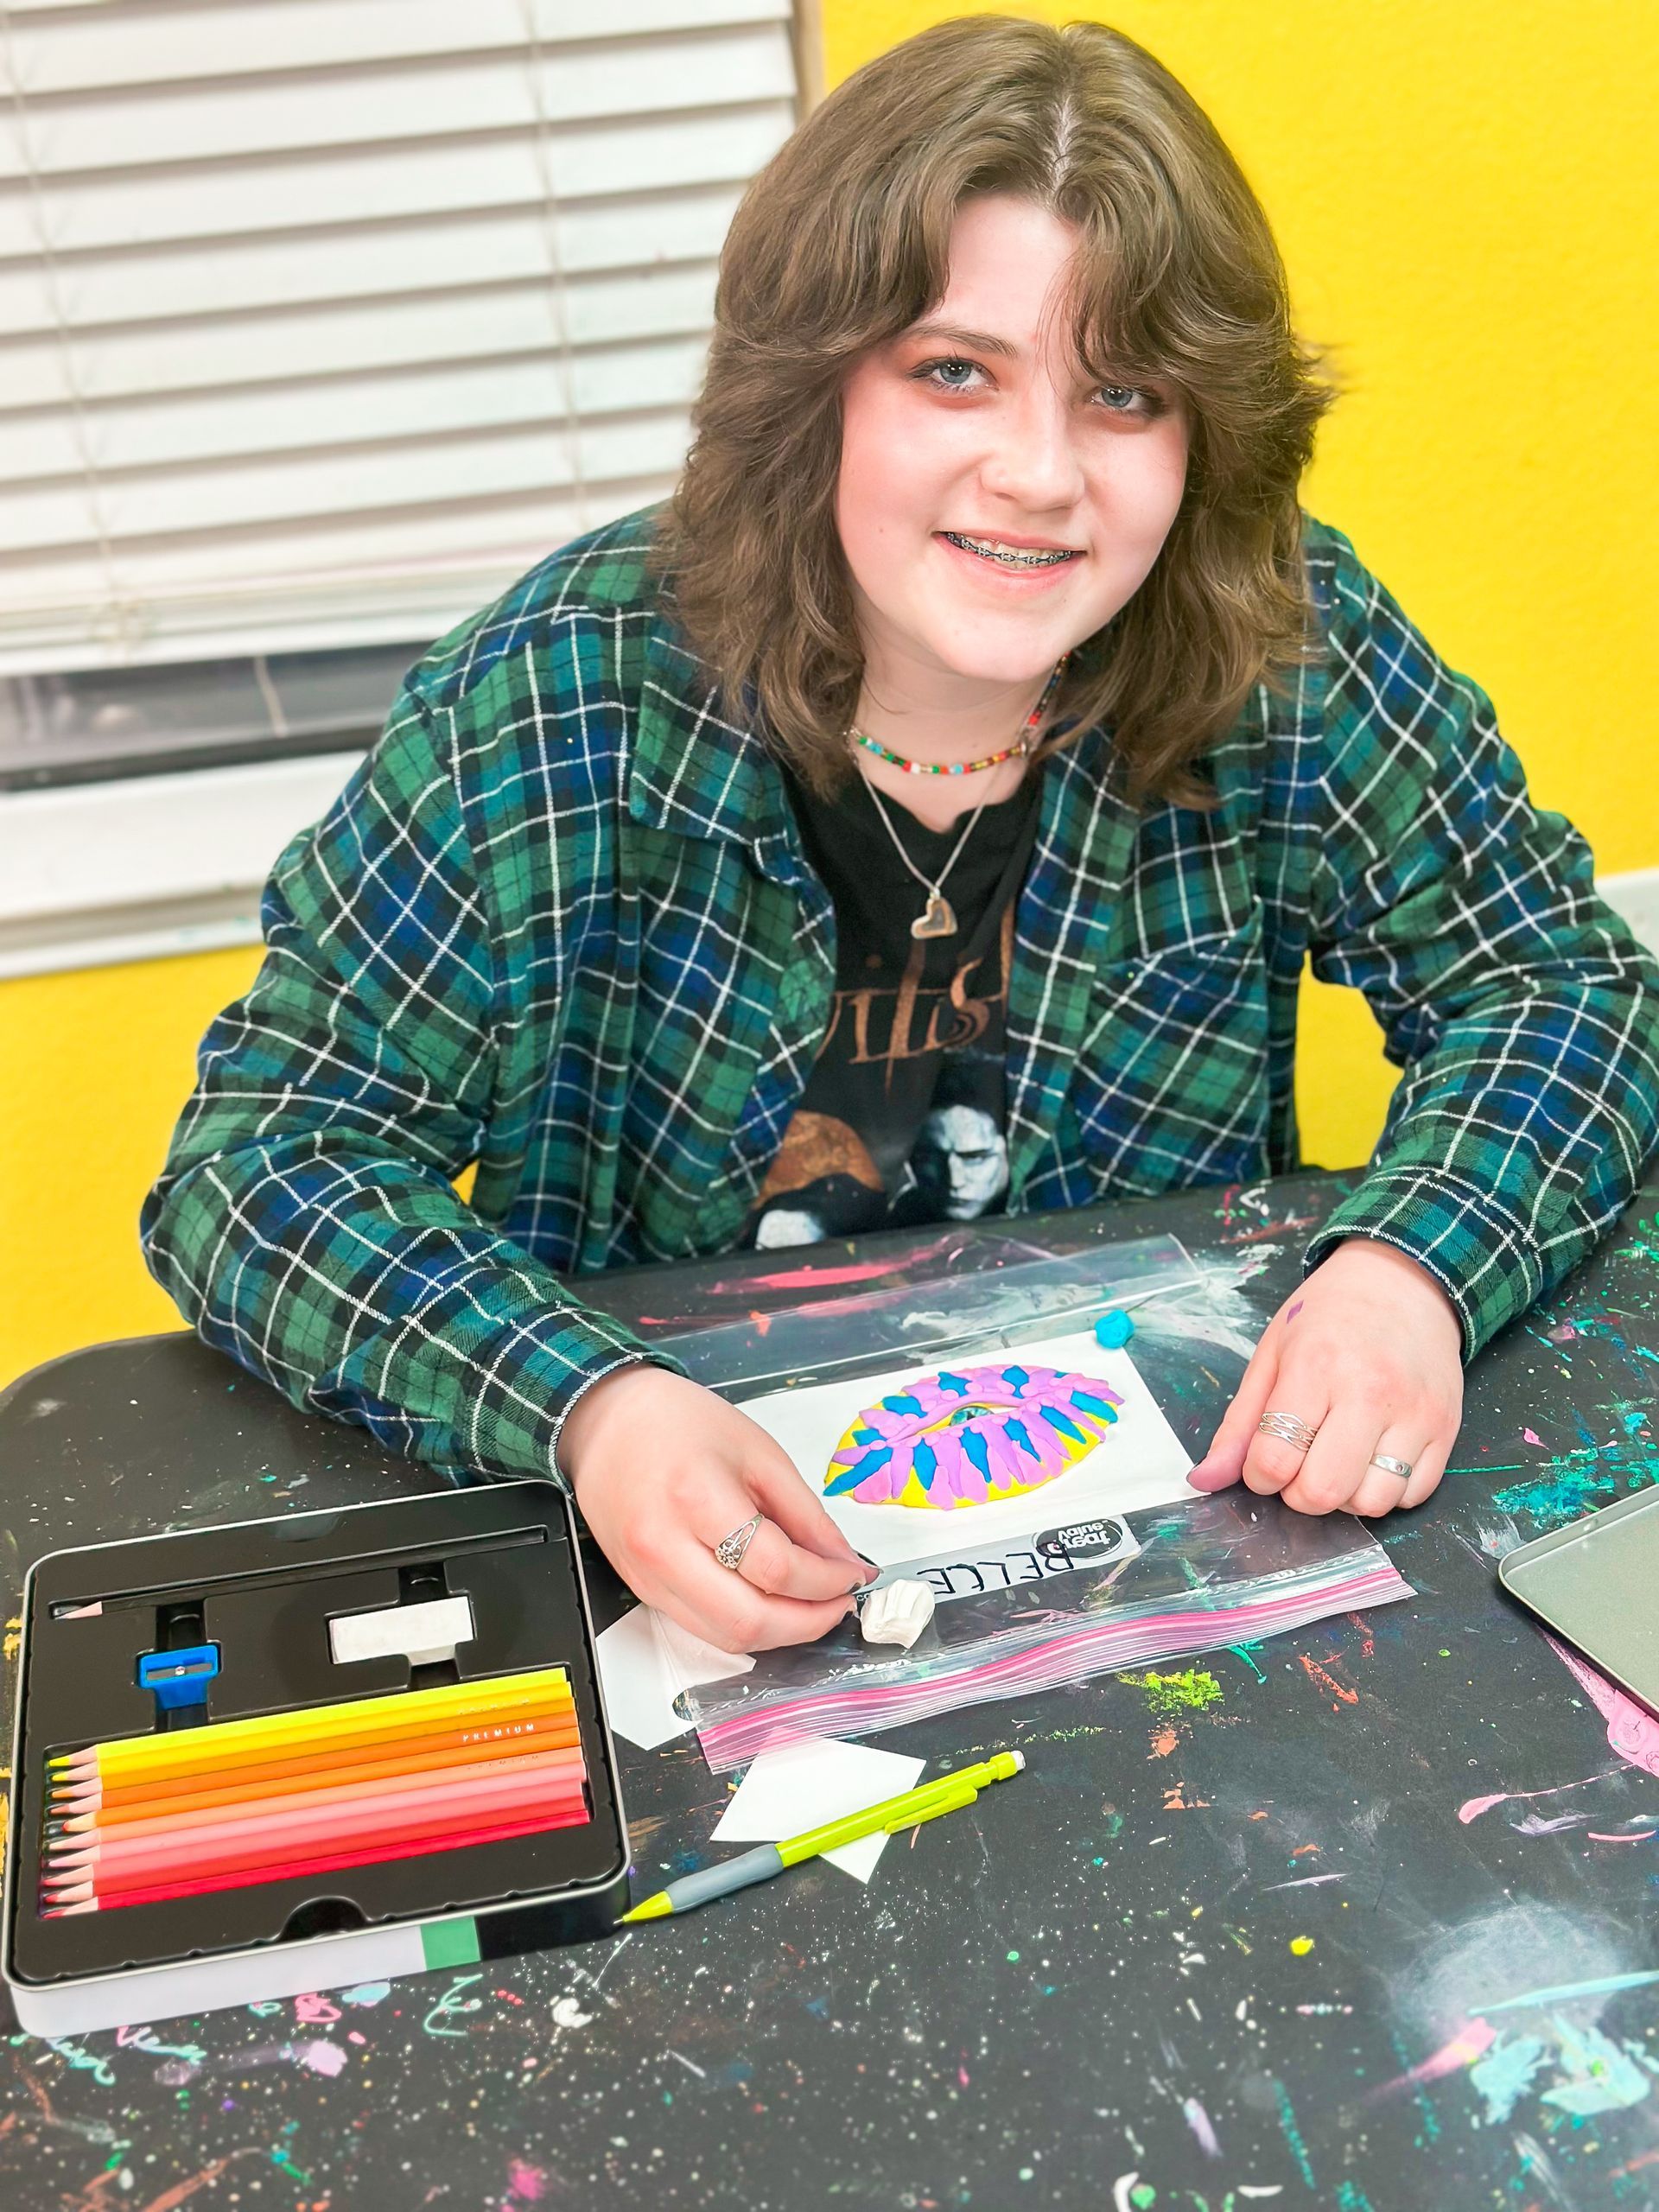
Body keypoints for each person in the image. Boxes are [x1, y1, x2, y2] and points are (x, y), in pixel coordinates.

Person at [141, 17, 1659, 1656]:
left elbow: (1557, 991)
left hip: (1150, 1546)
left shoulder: (1283, 639)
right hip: (702, 1575)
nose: (1039, 475)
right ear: (814, 391)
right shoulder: (564, 691)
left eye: (1125, 393)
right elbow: (261, 1163)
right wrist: (588, 1407)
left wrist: (1410, 1271)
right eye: (956, 371)